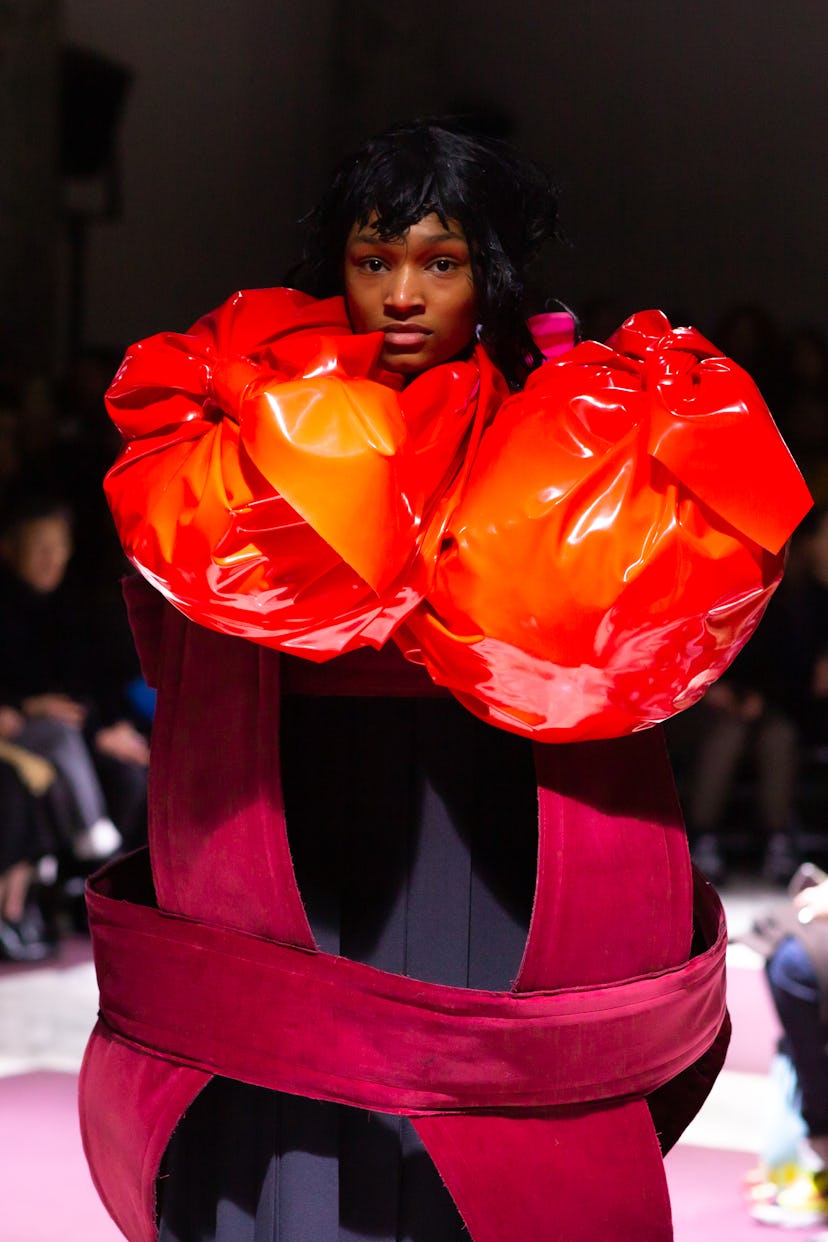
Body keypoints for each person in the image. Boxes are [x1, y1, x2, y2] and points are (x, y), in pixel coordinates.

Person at [80, 120, 811, 1242]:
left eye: (442, 261)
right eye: (375, 260)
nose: (404, 294)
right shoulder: (261, 405)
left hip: (491, 809)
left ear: (490, 270)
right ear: (338, 266)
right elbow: (181, 590)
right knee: (293, 1091)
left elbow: (641, 634)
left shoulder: (569, 416)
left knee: (479, 1107)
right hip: (297, 804)